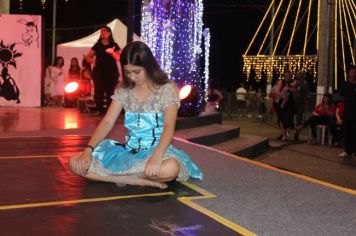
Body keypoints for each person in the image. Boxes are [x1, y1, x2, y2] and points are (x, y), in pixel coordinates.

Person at [69, 41, 203, 189]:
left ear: (148, 66)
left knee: (171, 168)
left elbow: (169, 125)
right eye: (127, 72)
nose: (132, 77)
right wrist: (88, 150)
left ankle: (120, 177)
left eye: (137, 72)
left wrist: (157, 156)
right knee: (75, 162)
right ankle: (137, 180)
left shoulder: (166, 88)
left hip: (158, 150)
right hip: (129, 152)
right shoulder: (124, 90)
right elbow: (107, 121)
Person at [86, 26, 121, 114]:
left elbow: (119, 58)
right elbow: (88, 56)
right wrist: (92, 60)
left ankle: (110, 111)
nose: (102, 32)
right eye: (101, 31)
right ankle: (99, 109)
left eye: (104, 31)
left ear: (109, 33)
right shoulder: (97, 45)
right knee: (98, 90)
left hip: (111, 72)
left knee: (110, 91)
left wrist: (112, 52)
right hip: (98, 71)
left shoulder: (114, 45)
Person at [273, 70, 297, 140]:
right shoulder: (282, 82)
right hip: (281, 103)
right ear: (284, 76)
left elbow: (296, 91)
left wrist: (288, 88)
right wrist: (282, 95)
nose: (288, 77)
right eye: (286, 76)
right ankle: (284, 135)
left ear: (291, 76)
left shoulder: (293, 82)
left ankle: (287, 132)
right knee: (281, 119)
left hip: (290, 103)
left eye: (289, 76)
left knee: (289, 118)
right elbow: (277, 91)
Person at [338, 64, 356, 158]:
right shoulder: (345, 84)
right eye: (352, 72)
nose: (353, 74)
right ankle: (347, 150)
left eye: (355, 72)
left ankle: (354, 151)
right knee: (347, 132)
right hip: (347, 112)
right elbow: (341, 95)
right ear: (349, 73)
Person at [294, 70, 310, 140]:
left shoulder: (305, 84)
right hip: (294, 102)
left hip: (301, 104)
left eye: (299, 74)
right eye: (297, 74)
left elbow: (307, 95)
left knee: (298, 119)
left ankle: (296, 134)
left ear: (302, 75)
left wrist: (306, 103)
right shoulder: (295, 83)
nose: (298, 76)